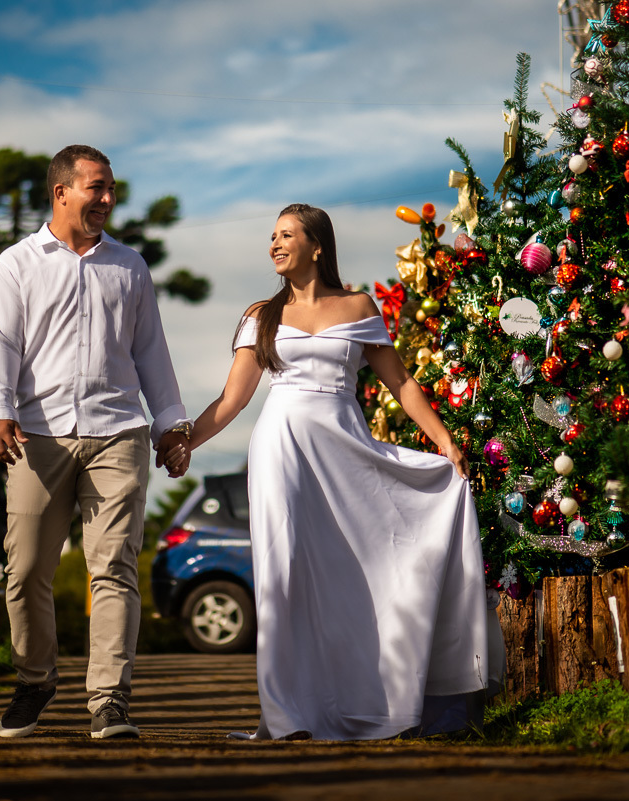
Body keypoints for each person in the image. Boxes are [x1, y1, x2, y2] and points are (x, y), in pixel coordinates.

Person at [190, 203, 502, 741]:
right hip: (280, 447)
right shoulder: (260, 314)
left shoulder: (358, 304)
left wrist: (444, 439)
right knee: (281, 570)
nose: (275, 244)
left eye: (287, 235)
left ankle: (383, 693)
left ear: (318, 246)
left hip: (345, 450)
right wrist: (185, 442)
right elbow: (232, 399)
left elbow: (399, 382)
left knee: (360, 568)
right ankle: (286, 715)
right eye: (272, 236)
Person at [0, 144, 192, 740]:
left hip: (118, 433)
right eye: (96, 188)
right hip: (35, 437)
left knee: (115, 568)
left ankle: (109, 699)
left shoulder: (130, 267)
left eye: (111, 189)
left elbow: (151, 352)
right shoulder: (15, 265)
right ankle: (35, 678)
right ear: (61, 192)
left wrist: (171, 422)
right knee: (24, 572)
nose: (107, 200)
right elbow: (3, 349)